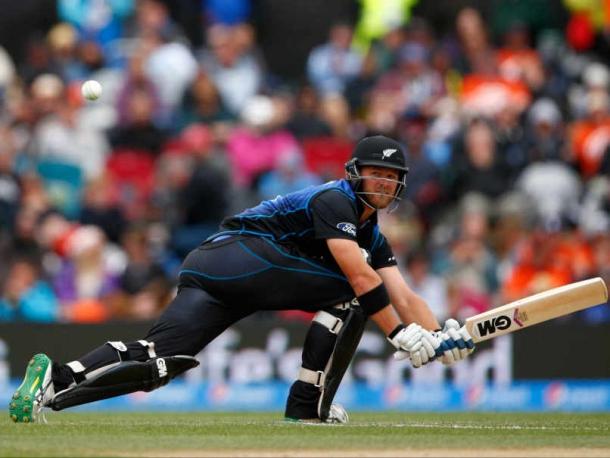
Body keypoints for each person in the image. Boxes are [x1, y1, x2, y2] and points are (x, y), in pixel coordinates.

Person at [9, 135, 474, 424]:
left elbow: (403, 291)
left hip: (214, 272)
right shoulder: (335, 201)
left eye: (392, 177)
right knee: (352, 289)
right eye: (375, 174)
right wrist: (400, 334)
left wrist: (437, 337)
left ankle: (52, 385)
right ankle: (308, 405)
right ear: (354, 175)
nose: (383, 183)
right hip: (239, 256)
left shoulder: (373, 236)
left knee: (160, 363)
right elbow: (358, 276)